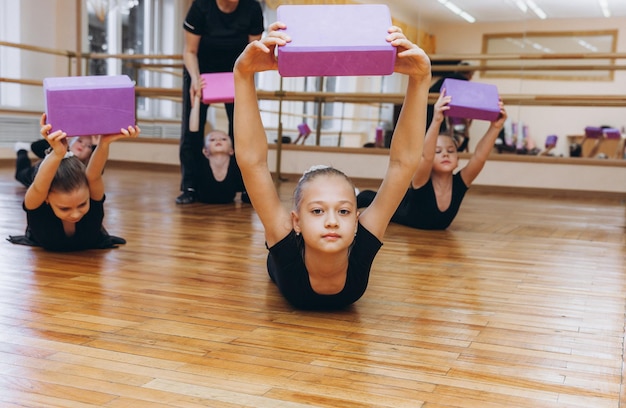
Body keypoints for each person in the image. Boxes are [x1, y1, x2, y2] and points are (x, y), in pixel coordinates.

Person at [233, 22, 432, 310]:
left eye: (343, 211)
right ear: (296, 222)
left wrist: (420, 78)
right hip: (278, 255)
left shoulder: (362, 241)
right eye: (317, 211)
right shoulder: (285, 240)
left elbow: (403, 164)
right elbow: (252, 162)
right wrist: (243, 75)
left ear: (356, 222)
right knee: (272, 235)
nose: (332, 221)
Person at [357, 89, 507, 230]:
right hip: (405, 209)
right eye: (438, 151)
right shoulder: (422, 179)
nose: (445, 154)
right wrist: (436, 120)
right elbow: (425, 157)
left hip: (419, 208)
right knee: (367, 197)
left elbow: (479, 157)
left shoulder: (461, 182)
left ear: (458, 159)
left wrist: (495, 127)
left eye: (450, 151)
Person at [7, 113, 140, 252]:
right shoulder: (36, 203)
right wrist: (58, 153)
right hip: (47, 166)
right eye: (64, 208)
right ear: (46, 198)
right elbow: (39, 187)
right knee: (22, 174)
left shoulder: (93, 196)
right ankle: (21, 150)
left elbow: (94, 175)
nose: (76, 214)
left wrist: (104, 143)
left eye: (82, 204)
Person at [177, 0, 264, 205]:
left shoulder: (251, 8)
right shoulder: (201, 7)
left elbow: (254, 52)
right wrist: (195, 79)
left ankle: (244, 187)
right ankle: (189, 187)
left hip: (238, 72)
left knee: (242, 131)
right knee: (191, 133)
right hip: (201, 72)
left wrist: (246, 81)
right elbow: (190, 51)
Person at [14, 136, 97, 188]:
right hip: (37, 174)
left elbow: (98, 169)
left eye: (89, 146)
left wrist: (97, 145)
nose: (83, 145)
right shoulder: (61, 149)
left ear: (90, 154)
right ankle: (21, 149)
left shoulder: (87, 169)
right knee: (20, 174)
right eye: (79, 141)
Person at [193, 129, 248, 204]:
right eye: (212, 140)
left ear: (231, 150)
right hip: (202, 202)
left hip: (229, 203)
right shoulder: (199, 164)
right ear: (205, 151)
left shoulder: (236, 166)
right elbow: (192, 139)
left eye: (223, 139)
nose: (218, 140)